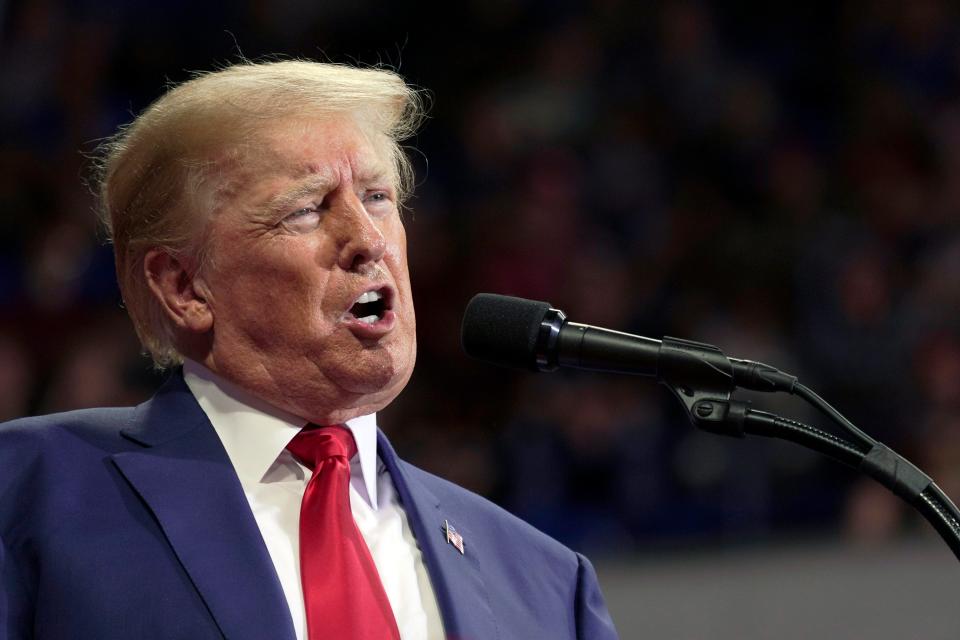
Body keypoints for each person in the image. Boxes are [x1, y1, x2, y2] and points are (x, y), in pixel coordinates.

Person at [0, 60, 618, 639]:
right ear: (184, 287)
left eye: (378, 197)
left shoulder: (547, 585)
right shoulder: (28, 493)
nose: (369, 240)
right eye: (307, 210)